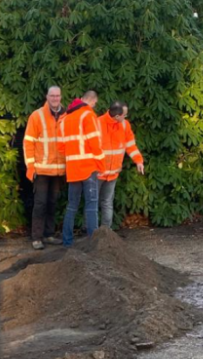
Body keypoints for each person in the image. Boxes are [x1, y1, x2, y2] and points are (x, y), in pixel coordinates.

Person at [22, 85, 66, 250]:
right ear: (47, 97)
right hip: (41, 169)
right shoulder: (37, 115)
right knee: (40, 203)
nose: (55, 98)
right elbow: (28, 142)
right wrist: (30, 166)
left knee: (53, 203)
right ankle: (37, 237)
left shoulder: (66, 115)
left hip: (58, 169)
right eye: (52, 96)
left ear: (61, 97)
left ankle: (48, 234)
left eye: (57, 96)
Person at [58, 90, 103, 247]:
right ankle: (94, 242)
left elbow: (61, 147)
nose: (94, 106)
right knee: (91, 205)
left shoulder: (65, 119)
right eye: (95, 104)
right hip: (88, 167)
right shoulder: (88, 115)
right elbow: (95, 143)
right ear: (90, 101)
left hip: (73, 169)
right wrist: (101, 165)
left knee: (72, 205)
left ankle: (67, 242)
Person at [98, 102, 144, 230]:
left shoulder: (124, 125)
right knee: (93, 203)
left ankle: (106, 232)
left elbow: (130, 146)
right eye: (124, 115)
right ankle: (91, 233)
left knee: (107, 202)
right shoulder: (98, 123)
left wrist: (138, 161)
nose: (126, 117)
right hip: (97, 172)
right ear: (117, 116)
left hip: (112, 173)